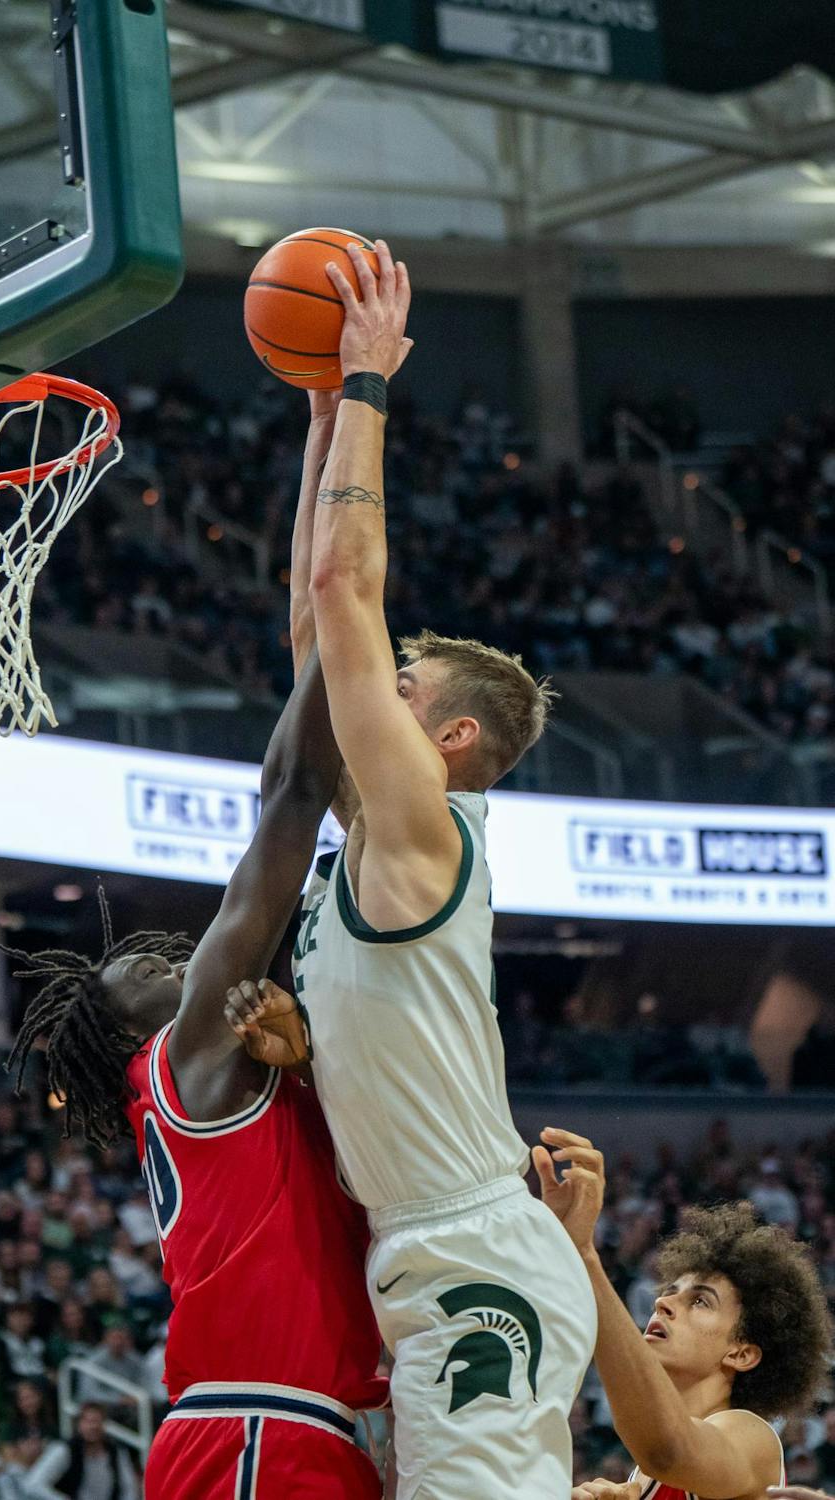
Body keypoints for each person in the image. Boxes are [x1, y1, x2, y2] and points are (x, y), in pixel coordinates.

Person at [235, 238, 595, 1499]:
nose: (363, 692)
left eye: (395, 685)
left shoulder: (425, 830)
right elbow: (309, 625)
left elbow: (344, 586)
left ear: (448, 740)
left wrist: (374, 385)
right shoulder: (370, 835)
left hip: (473, 1259)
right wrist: (325, 412)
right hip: (423, 1249)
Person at [6, 560, 387, 1490]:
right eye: (145, 971)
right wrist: (339, 616)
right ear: (125, 1027)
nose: (175, 962)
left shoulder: (206, 1078)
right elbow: (293, 797)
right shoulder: (182, 1059)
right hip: (259, 1423)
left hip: (276, 1421)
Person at [535, 1127, 830, 1500]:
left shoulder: (752, 1436)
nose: (663, 1303)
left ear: (741, 1352)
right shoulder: (642, 1474)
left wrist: (583, 1253)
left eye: (700, 1301)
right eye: (670, 1292)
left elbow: (669, 1450)